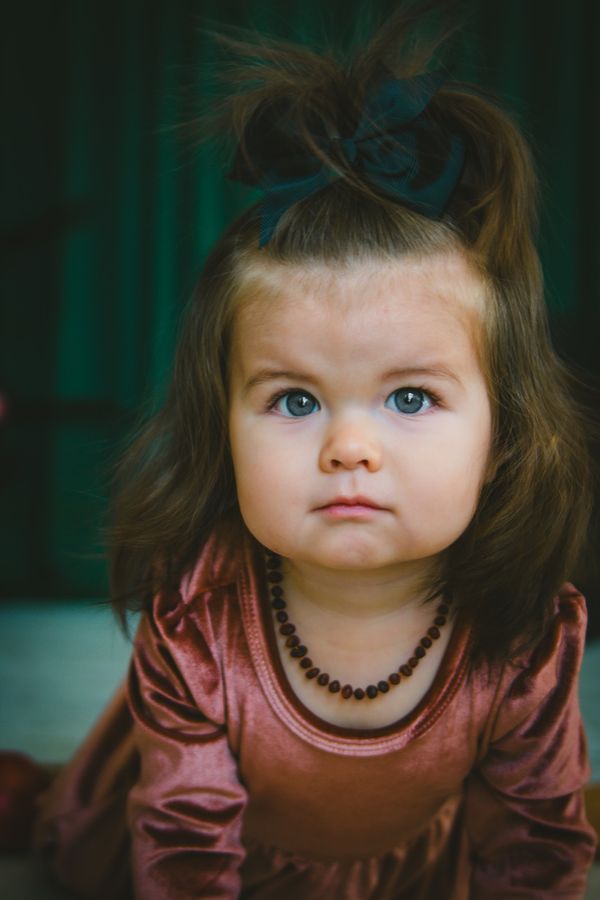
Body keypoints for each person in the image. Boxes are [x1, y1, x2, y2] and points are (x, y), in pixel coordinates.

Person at [32, 6, 597, 898]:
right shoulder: (199, 618)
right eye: (294, 400)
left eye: (411, 397)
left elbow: (535, 848)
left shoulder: (522, 631)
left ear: (504, 436)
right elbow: (184, 846)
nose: (350, 448)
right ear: (220, 423)